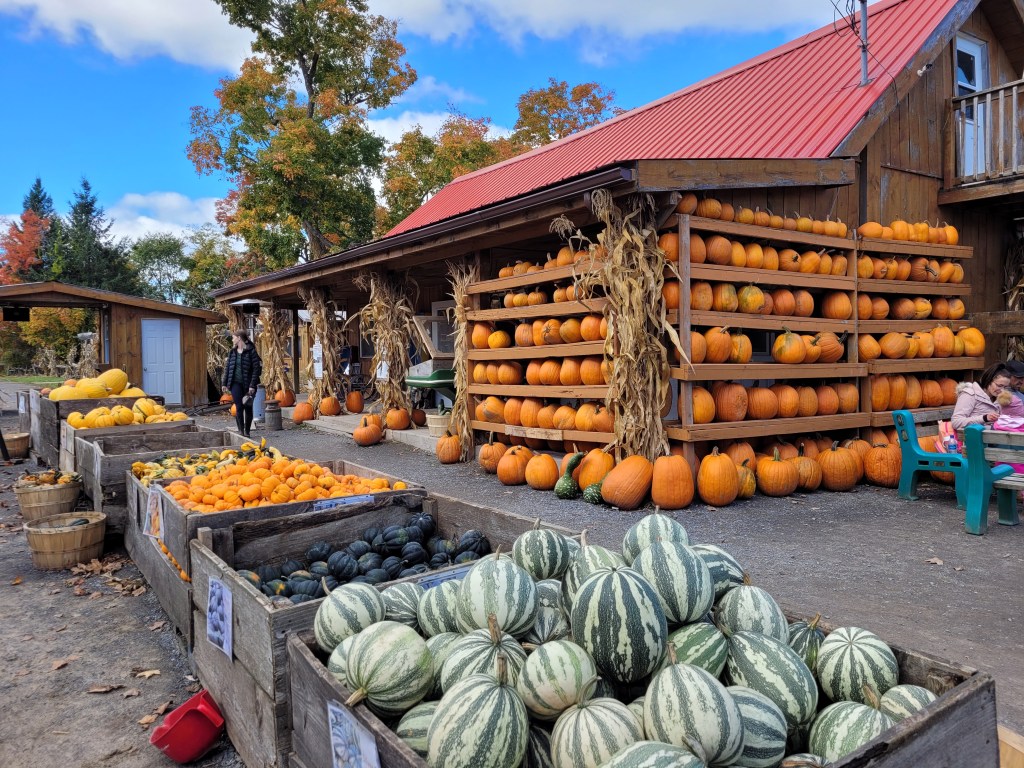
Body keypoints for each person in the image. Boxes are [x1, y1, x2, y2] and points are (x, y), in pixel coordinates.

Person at [222, 329, 262, 437]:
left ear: (239, 338)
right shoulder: (232, 352)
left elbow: (256, 370)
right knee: (239, 407)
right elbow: (228, 368)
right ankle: (241, 430)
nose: (232, 339)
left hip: (248, 384)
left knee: (248, 407)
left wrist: (252, 385)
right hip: (235, 384)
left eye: (233, 337)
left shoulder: (251, 351)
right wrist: (224, 383)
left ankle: (247, 431)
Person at [951, 363, 1011, 431]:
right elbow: (956, 422)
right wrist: (984, 418)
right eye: (999, 386)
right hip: (972, 436)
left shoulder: (999, 398)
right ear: (988, 380)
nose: (1002, 390)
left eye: (1005, 387)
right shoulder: (970, 394)